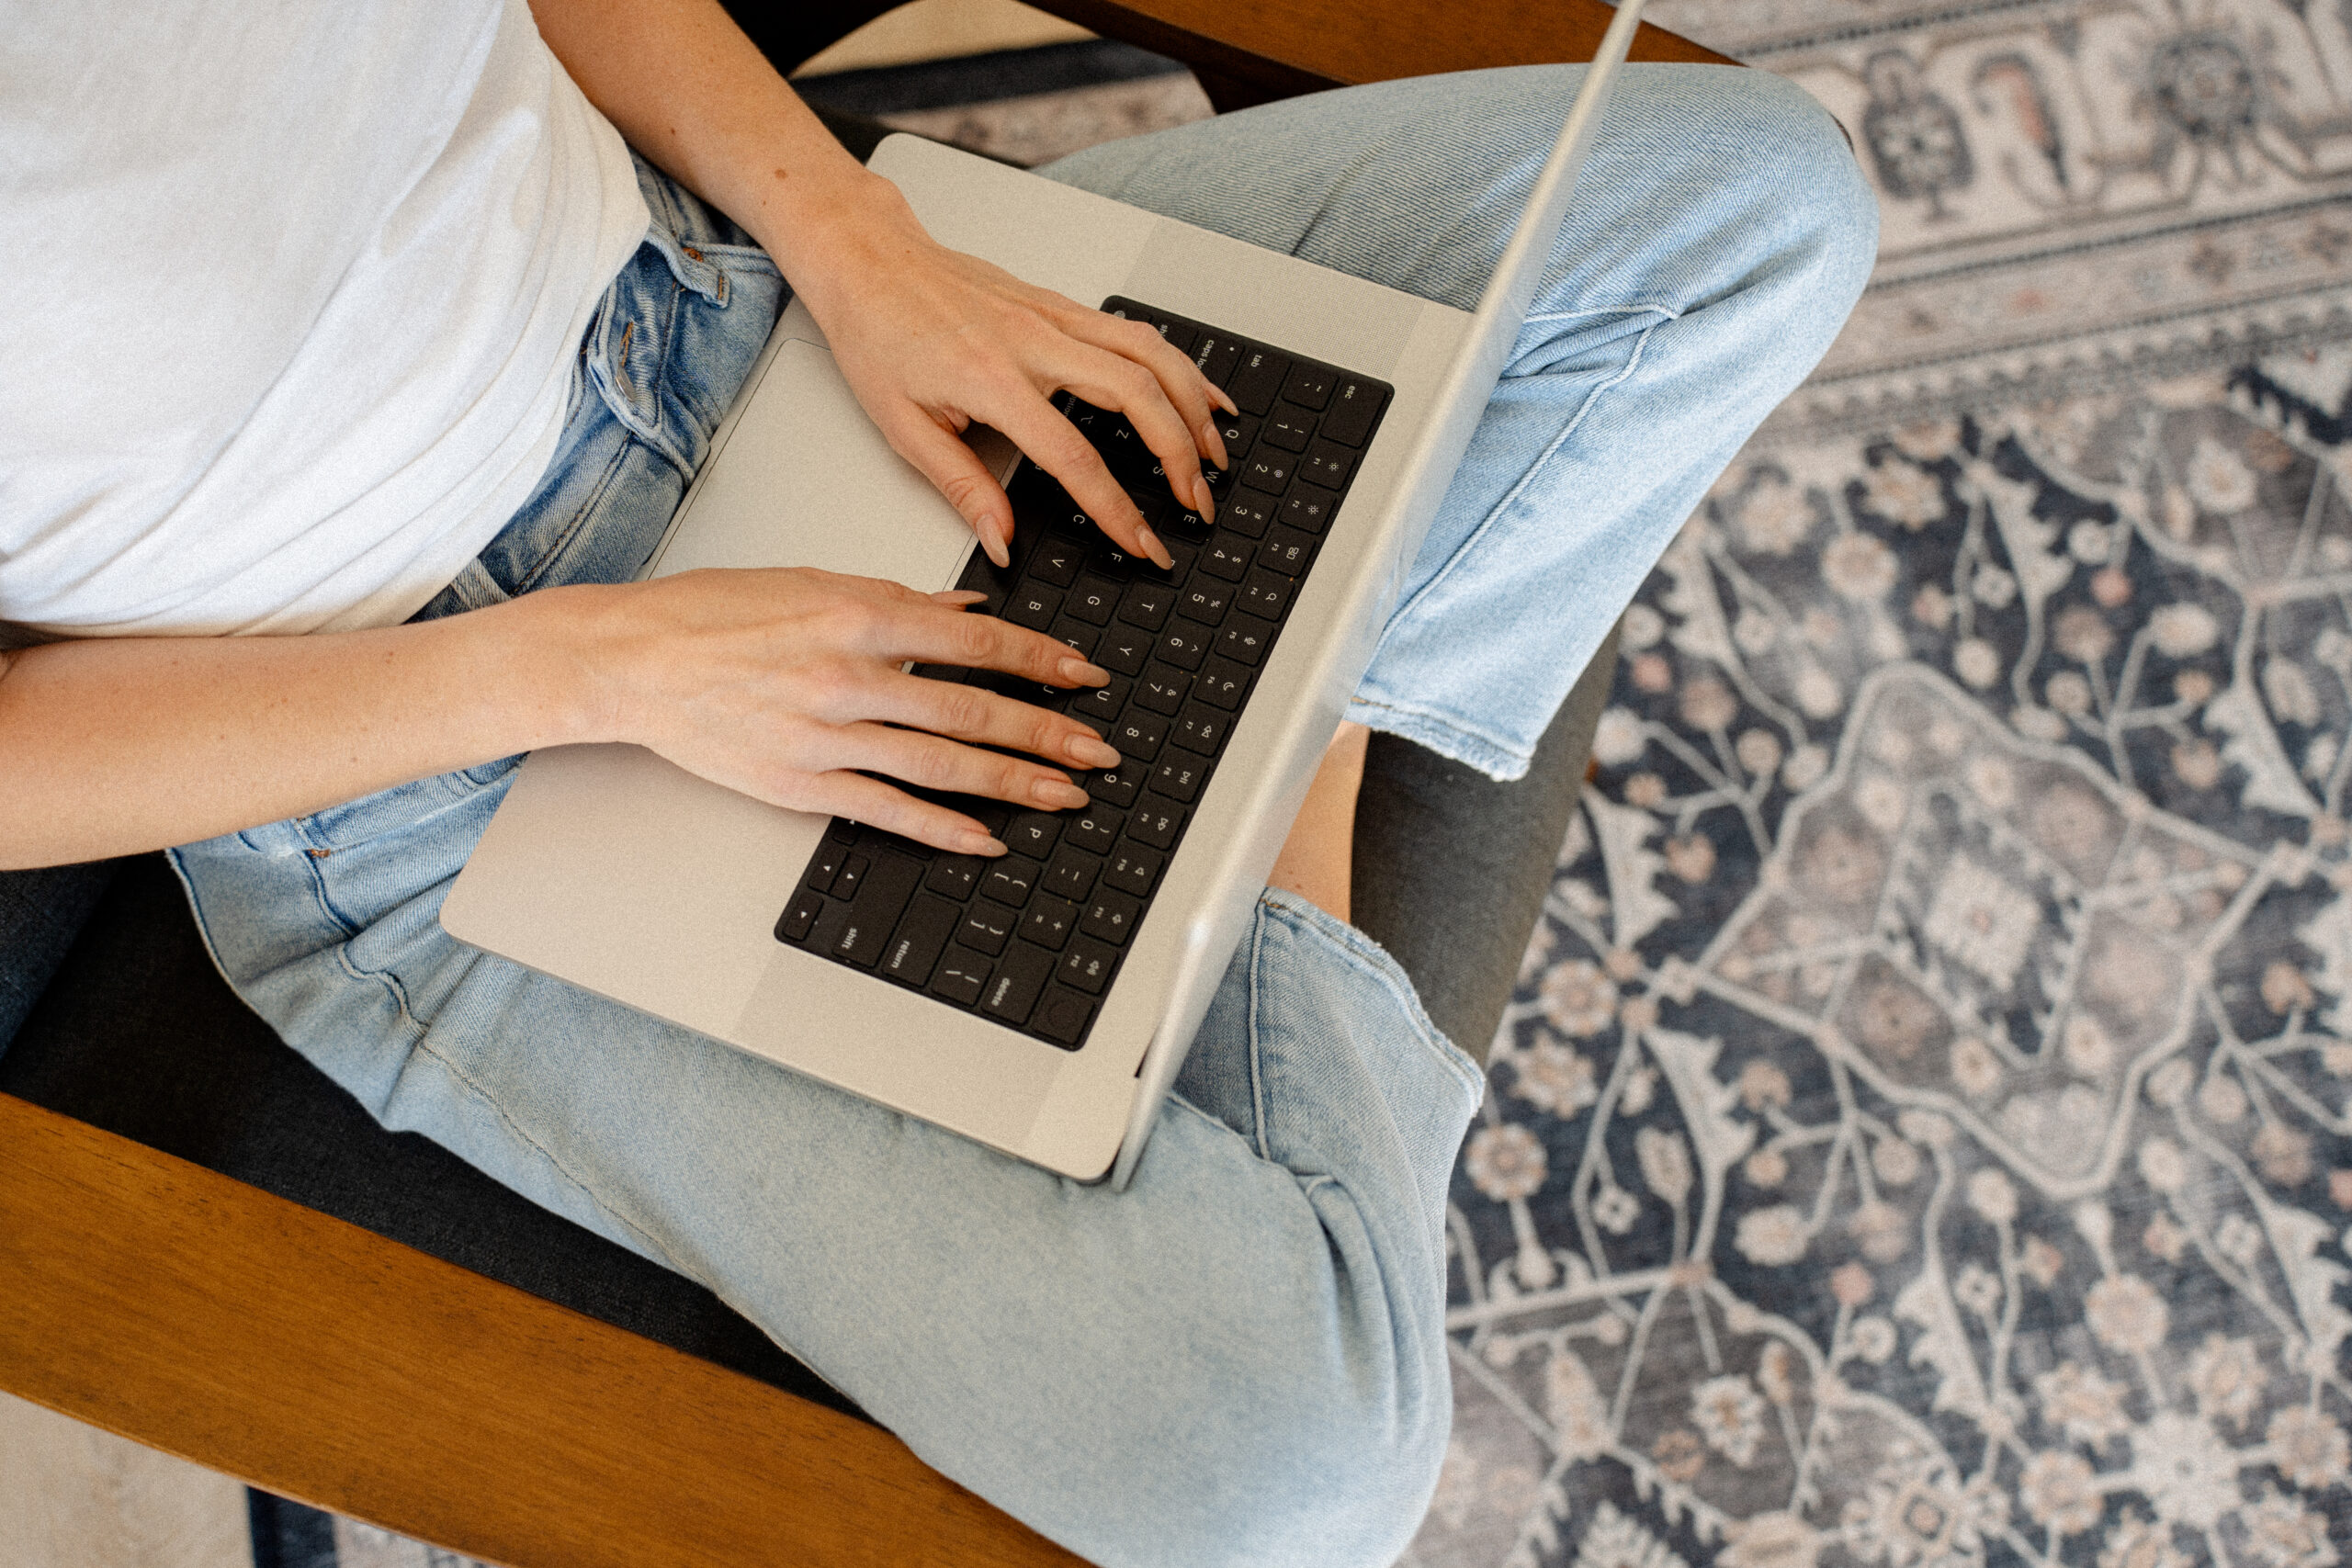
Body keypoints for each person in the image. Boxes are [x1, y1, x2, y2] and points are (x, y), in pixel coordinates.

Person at [0, 1, 1875, 1561]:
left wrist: (860, 244)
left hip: (736, 313)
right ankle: (1284, 709)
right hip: (424, 760)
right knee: (1289, 1470)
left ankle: (1262, 714)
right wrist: (583, 667)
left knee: (1746, 203)